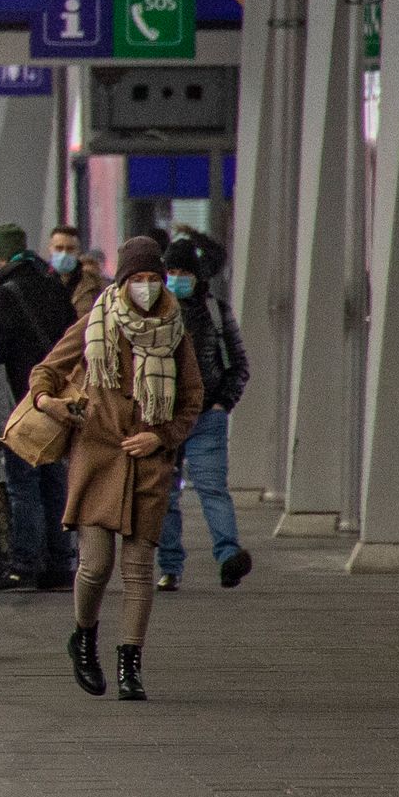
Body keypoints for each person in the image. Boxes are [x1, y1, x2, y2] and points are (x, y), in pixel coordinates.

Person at [29, 236, 204, 701]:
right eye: (137, 279)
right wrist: (49, 403)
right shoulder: (95, 324)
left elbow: (191, 399)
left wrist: (161, 436)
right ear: (122, 281)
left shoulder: (175, 330)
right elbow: (44, 373)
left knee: (139, 568)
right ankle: (84, 638)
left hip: (148, 461)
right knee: (94, 566)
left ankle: (131, 665)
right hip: (97, 456)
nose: (145, 288)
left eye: (153, 278)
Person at [154, 230, 254, 591]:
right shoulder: (152, 314)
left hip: (205, 416)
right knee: (165, 494)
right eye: (173, 273)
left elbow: (239, 364)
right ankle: (169, 566)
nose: (178, 280)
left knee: (212, 488)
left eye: (185, 273)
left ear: (198, 277)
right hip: (162, 417)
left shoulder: (214, 312)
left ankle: (229, 556)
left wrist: (221, 402)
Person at [0, 221, 78, 590]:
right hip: (56, 393)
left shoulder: (4, 293)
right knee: (54, 481)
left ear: (2, 256)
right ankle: (59, 562)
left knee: (23, 484)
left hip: (21, 397)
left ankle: (25, 561)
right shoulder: (52, 283)